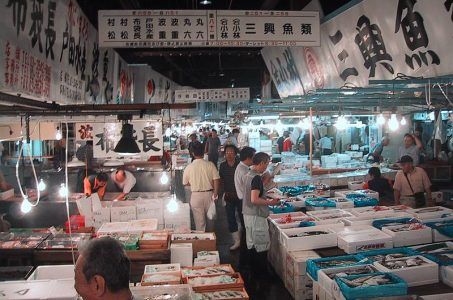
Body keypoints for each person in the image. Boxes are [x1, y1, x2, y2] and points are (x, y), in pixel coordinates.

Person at [242, 152, 280, 278]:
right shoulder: (256, 178)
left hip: (248, 214)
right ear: (262, 163)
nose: (266, 167)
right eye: (267, 164)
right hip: (256, 215)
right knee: (261, 245)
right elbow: (254, 199)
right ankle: (262, 276)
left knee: (252, 244)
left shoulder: (247, 174)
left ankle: (253, 274)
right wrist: (271, 201)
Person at [183, 141, 220, 232]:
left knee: (199, 224)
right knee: (211, 220)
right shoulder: (210, 165)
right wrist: (215, 194)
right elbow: (216, 180)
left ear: (192, 153)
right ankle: (211, 242)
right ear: (203, 152)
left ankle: (202, 244)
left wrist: (195, 183)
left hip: (196, 196)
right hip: (209, 195)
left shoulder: (189, 167)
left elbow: (185, 183)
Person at [219, 144, 243, 251]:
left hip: (241, 196)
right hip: (229, 195)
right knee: (230, 218)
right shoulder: (223, 166)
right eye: (227, 152)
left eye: (231, 152)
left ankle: (245, 239)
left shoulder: (240, 165)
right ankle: (236, 241)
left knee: (243, 217)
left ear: (235, 153)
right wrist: (222, 193)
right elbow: (221, 180)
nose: (229, 154)